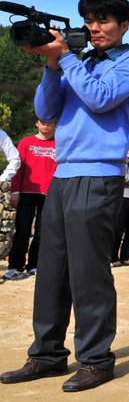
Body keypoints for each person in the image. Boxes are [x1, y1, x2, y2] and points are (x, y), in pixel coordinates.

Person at [1, 0, 129, 393]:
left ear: (124, 24)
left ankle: (97, 359)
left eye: (103, 20)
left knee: (89, 272)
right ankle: (47, 355)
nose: (95, 27)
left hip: (99, 174)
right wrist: (53, 65)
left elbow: (101, 100)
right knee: (50, 271)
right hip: (62, 175)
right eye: (89, 20)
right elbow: (46, 113)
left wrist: (66, 57)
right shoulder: (77, 63)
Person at [3, 118, 57, 280]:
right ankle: (15, 266)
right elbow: (18, 169)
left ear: (55, 125)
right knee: (22, 230)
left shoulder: (59, 144)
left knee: (42, 233)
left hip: (49, 194)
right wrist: (14, 192)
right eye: (42, 121)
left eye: (50, 122)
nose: (46, 124)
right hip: (27, 192)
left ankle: (34, 265)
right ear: (36, 123)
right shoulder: (26, 142)